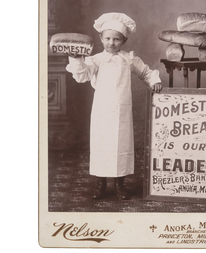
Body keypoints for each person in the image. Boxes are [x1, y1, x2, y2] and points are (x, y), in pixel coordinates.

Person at [66, 12, 162, 200]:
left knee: (121, 145)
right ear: (101, 38)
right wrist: (76, 59)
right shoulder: (96, 59)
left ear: (124, 40)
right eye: (108, 38)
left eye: (116, 39)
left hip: (122, 112)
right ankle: (100, 185)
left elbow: (146, 72)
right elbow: (82, 76)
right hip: (102, 110)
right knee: (102, 145)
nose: (111, 43)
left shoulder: (129, 59)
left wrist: (154, 81)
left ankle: (120, 185)